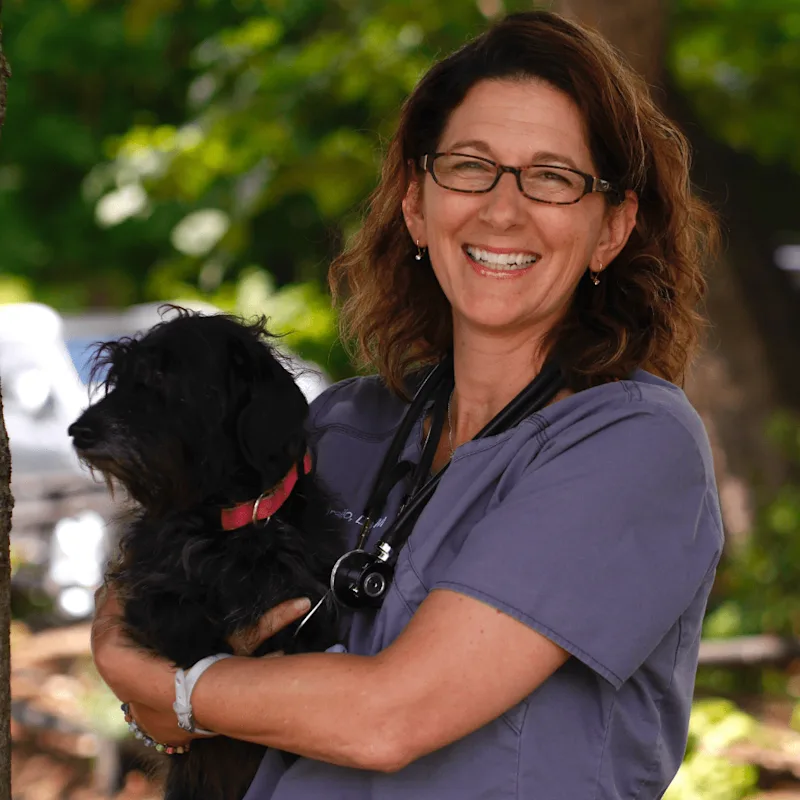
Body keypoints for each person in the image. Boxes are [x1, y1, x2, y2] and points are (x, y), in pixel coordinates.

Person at [91, 9, 724, 799]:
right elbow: (147, 585)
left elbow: (388, 718)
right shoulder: (341, 428)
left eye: (554, 177)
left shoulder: (633, 445)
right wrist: (154, 682)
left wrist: (168, 686)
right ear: (417, 205)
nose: (503, 208)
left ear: (611, 229)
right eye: (470, 166)